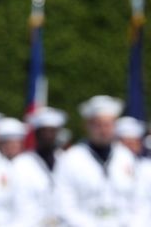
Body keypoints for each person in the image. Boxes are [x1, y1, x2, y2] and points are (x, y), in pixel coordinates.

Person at [55, 95, 136, 227]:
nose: (103, 131)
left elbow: (137, 200)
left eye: (108, 125)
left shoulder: (126, 156)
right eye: (98, 125)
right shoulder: (71, 159)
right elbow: (64, 205)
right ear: (87, 126)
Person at [12, 107, 67, 226]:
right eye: (44, 131)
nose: (48, 136)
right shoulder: (21, 163)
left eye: (52, 131)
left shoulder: (67, 160)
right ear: (36, 134)